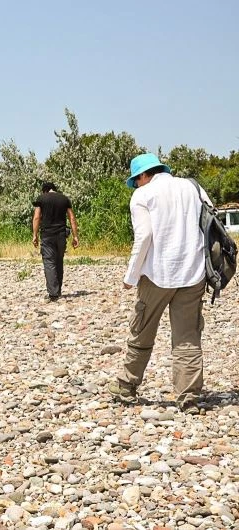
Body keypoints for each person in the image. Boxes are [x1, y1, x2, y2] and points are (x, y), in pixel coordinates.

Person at [107, 153, 210, 414]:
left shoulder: (143, 195)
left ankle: (127, 386)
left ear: (143, 175)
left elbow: (144, 237)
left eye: (136, 180)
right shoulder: (192, 187)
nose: (136, 185)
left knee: (142, 331)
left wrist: (130, 276)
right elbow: (210, 223)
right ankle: (188, 398)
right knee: (187, 337)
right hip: (193, 272)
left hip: (157, 274)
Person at [32, 182, 79, 301]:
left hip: (47, 235)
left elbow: (37, 217)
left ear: (45, 191)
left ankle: (53, 293)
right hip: (61, 235)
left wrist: (35, 235)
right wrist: (75, 236)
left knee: (49, 262)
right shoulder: (64, 199)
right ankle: (57, 290)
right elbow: (72, 217)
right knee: (59, 261)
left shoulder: (41, 199)